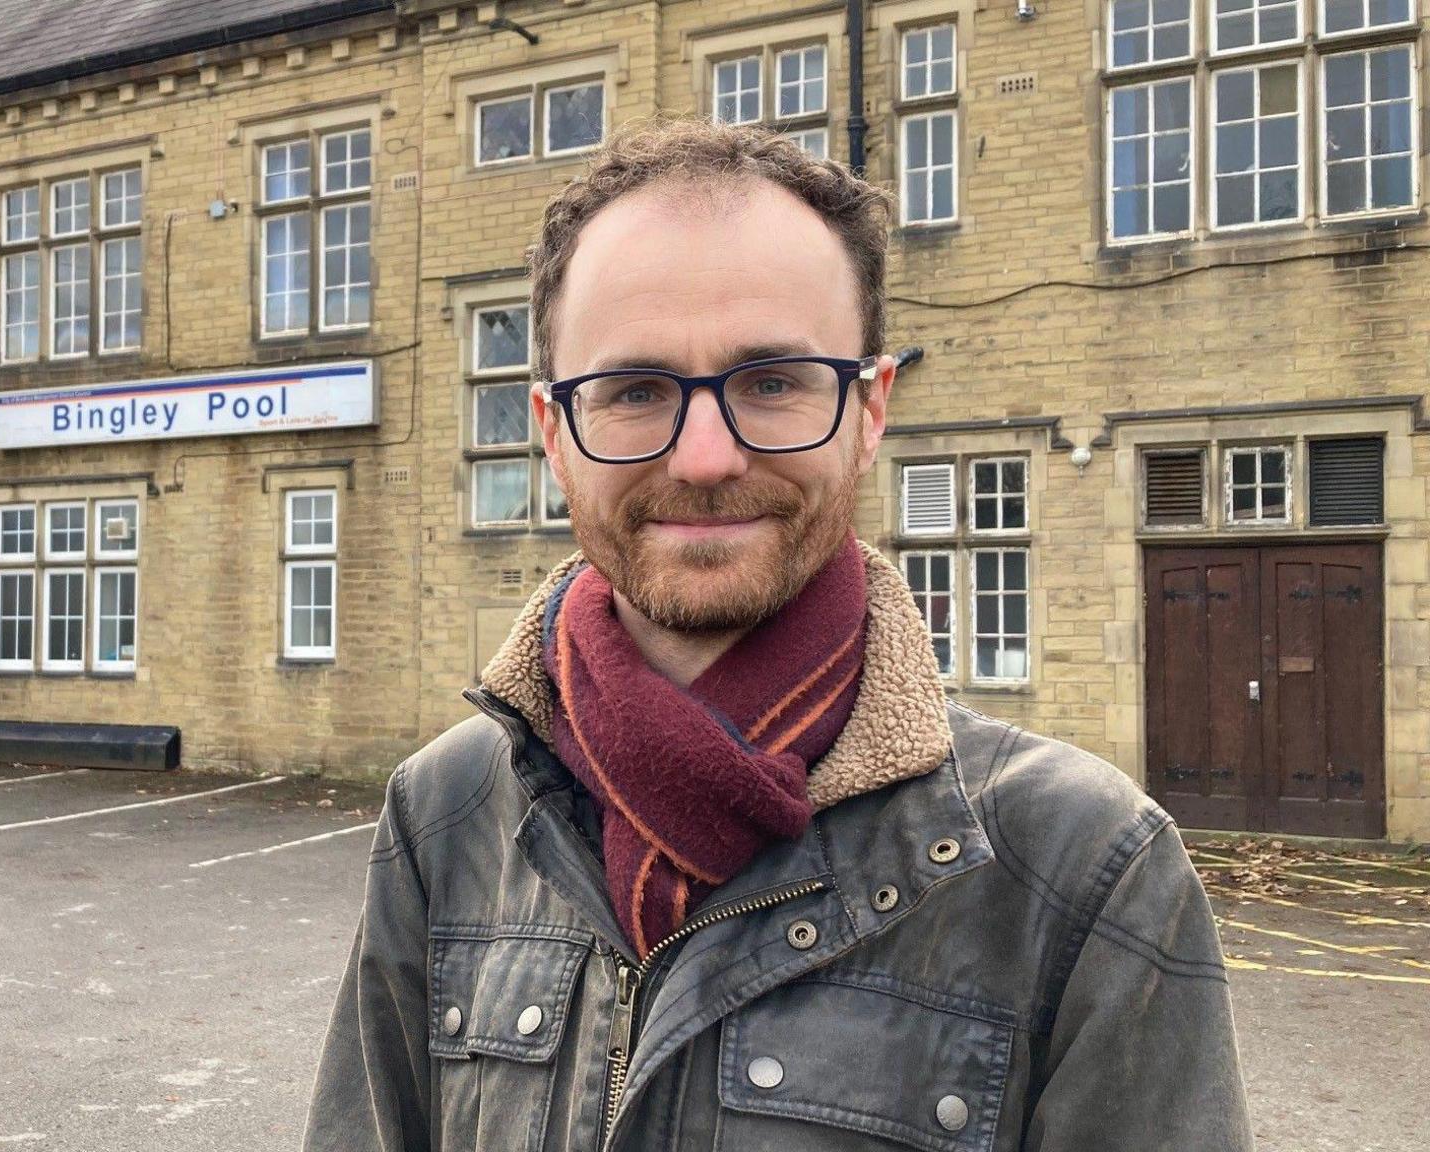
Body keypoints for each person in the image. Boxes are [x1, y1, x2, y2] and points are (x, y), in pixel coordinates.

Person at [303, 117, 1251, 1151]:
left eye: (770, 383)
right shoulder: (445, 813)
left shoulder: (1082, 867)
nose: (704, 456)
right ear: (551, 433)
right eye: (633, 390)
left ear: (869, 407)